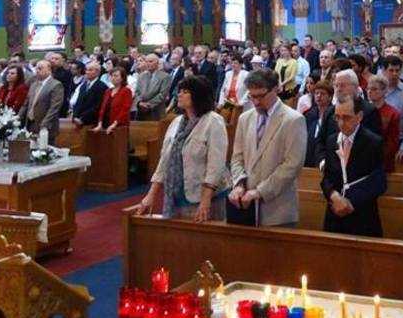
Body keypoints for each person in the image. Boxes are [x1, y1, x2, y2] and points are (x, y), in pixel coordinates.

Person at [137, 76, 231, 221]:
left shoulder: (213, 121)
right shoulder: (176, 122)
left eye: (185, 91)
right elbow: (164, 161)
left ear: (198, 95)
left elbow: (216, 166)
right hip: (176, 193)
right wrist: (151, 194)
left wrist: (205, 200)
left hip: (206, 197)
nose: (179, 94)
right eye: (179, 91)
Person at [228, 68, 307, 227]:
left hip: (278, 211)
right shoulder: (245, 118)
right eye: (252, 96)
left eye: (260, 96)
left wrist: (260, 191)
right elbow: (237, 157)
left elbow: (292, 165)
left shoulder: (293, 120)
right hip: (246, 206)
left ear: (275, 89)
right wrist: (239, 183)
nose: (256, 102)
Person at [320, 94, 386, 237]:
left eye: (347, 117)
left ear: (359, 116)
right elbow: (327, 178)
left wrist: (350, 202)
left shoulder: (373, 142)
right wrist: (333, 195)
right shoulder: (332, 141)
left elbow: (379, 182)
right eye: (337, 117)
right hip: (334, 215)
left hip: (363, 218)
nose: (341, 123)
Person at [314, 70, 382, 167]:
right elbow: (320, 140)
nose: (338, 89)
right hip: (332, 169)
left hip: (358, 169)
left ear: (355, 87)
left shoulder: (369, 111)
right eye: (336, 86)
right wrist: (323, 160)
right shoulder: (330, 112)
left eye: (342, 85)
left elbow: (372, 144)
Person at [19, 59, 64, 144]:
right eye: (36, 68)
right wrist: (17, 117)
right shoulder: (34, 84)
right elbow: (26, 104)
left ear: (49, 70)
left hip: (46, 125)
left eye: (40, 68)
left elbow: (54, 107)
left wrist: (44, 123)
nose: (37, 71)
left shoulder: (56, 85)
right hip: (30, 124)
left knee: (45, 153)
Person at [366, 75, 400, 173]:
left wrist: (375, 157)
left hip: (383, 164)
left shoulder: (392, 113)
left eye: (374, 89)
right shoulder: (362, 111)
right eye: (368, 89)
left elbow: (392, 143)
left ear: (384, 91)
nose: (369, 91)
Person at [380, 55, 403, 149]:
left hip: (399, 141)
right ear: (384, 71)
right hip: (379, 140)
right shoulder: (378, 90)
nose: (394, 74)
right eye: (391, 70)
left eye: (397, 71)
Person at [93, 64, 132, 134]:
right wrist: (100, 123)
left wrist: (114, 124)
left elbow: (125, 110)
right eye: (111, 76)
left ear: (122, 78)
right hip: (106, 123)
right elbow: (102, 109)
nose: (113, 78)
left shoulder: (126, 91)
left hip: (119, 126)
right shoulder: (108, 91)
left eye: (116, 76)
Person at [132, 53, 172, 120]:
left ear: (157, 63)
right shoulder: (141, 76)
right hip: (141, 113)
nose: (148, 64)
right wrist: (140, 103)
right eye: (146, 62)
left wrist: (148, 104)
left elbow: (162, 95)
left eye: (150, 61)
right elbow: (137, 92)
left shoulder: (165, 76)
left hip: (156, 113)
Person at [69, 61, 108, 127]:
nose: (87, 72)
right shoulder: (83, 86)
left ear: (98, 72)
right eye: (86, 70)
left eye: (90, 70)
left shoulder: (102, 86)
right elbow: (78, 102)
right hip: (79, 121)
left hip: (92, 122)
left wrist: (82, 118)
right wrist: (75, 116)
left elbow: (97, 106)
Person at [304, 80, 334, 167]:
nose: (318, 96)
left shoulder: (335, 115)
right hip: (309, 158)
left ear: (330, 97)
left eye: (323, 94)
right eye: (316, 93)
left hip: (325, 159)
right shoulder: (309, 114)